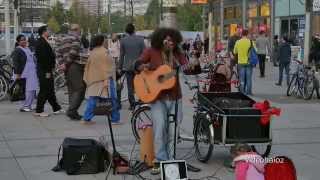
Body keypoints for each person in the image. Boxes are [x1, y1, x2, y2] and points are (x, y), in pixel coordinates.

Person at [135, 28, 200, 174]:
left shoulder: (178, 53)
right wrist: (142, 66)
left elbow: (185, 68)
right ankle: (160, 159)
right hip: (156, 97)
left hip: (175, 95)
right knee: (160, 127)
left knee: (174, 128)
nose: (170, 43)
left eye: (173, 41)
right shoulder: (151, 51)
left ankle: (171, 159)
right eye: (168, 40)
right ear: (161, 39)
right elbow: (138, 63)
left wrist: (192, 64)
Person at [56, 24, 88, 120]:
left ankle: (73, 112)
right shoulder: (75, 38)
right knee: (80, 88)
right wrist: (66, 64)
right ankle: (72, 110)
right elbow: (74, 52)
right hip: (75, 65)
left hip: (67, 68)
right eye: (80, 30)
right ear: (77, 30)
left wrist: (62, 64)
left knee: (71, 89)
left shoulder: (63, 39)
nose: (80, 32)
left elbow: (57, 52)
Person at [83, 35, 117, 125]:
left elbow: (88, 67)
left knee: (93, 99)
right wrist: (106, 79)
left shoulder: (92, 52)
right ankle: (115, 118)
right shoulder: (105, 52)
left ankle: (86, 118)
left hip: (94, 79)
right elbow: (108, 67)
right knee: (112, 99)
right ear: (102, 41)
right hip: (105, 80)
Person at [34, 26, 63, 117]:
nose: (50, 31)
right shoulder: (41, 42)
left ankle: (56, 108)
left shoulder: (45, 41)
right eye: (48, 30)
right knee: (44, 89)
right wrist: (47, 71)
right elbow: (43, 58)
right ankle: (39, 110)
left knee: (50, 89)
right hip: (44, 70)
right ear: (44, 32)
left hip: (47, 69)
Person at [119, 23, 145, 110]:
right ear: (134, 30)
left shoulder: (123, 40)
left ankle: (132, 104)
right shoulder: (141, 40)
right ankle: (141, 101)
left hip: (128, 67)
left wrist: (120, 67)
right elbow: (144, 54)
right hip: (139, 67)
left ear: (126, 31)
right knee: (140, 84)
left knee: (130, 86)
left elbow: (122, 55)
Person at [12, 34, 38, 112]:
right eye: (22, 40)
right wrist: (18, 74)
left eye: (25, 39)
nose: (24, 41)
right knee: (26, 90)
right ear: (18, 42)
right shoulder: (17, 50)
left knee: (32, 89)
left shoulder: (28, 48)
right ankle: (25, 106)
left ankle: (29, 105)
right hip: (23, 73)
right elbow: (16, 63)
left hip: (32, 72)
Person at [233, 29, 254, 95]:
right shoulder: (251, 42)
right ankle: (249, 92)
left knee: (241, 79)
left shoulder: (238, 42)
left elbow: (235, 52)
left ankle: (242, 92)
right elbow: (255, 50)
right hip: (249, 62)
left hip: (240, 62)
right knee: (249, 78)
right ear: (247, 34)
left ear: (241, 34)